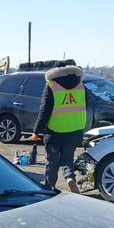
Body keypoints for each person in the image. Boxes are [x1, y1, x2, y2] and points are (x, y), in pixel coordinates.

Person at [30, 59, 86, 193]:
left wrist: (36, 131)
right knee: (67, 159)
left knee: (52, 162)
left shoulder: (51, 85)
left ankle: (49, 188)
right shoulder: (80, 85)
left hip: (55, 130)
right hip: (74, 129)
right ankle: (69, 178)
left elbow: (44, 111)